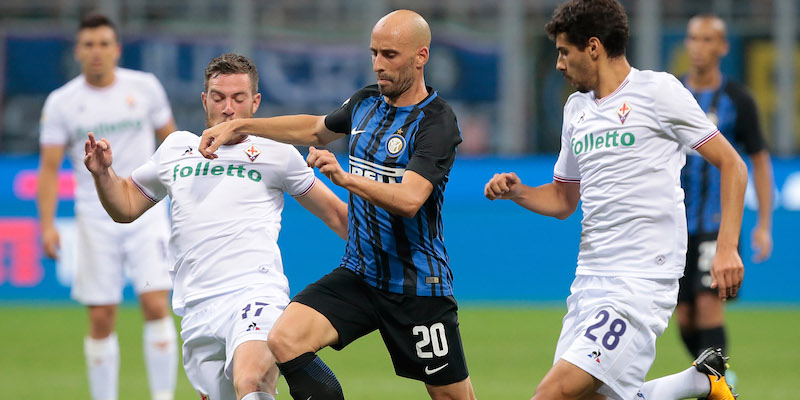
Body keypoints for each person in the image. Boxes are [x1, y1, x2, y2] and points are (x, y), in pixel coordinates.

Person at [198, 10, 476, 400]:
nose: (379, 65)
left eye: (390, 55)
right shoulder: (365, 102)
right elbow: (314, 129)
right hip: (360, 275)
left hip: (416, 287)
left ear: (421, 56)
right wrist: (240, 125)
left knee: (452, 397)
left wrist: (346, 179)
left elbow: (411, 199)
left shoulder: (437, 122)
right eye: (374, 53)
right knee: (284, 339)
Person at [484, 1, 746, 399]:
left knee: (551, 394)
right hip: (589, 279)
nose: (558, 64)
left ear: (593, 47)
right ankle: (697, 381)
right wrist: (517, 191)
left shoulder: (657, 92)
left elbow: (732, 164)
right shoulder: (576, 110)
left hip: (641, 281)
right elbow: (562, 200)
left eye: (563, 52)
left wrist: (726, 248)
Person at [85, 53, 349, 400]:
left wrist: (390, 254)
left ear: (255, 102)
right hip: (197, 308)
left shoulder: (276, 151)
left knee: (252, 382)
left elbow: (337, 215)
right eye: (219, 97)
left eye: (239, 99)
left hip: (255, 293)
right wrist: (103, 174)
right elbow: (126, 206)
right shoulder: (176, 149)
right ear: (204, 100)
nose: (228, 108)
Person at [37, 13, 178, 400]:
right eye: (89, 45)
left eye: (104, 44)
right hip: (94, 218)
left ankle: (163, 396)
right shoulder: (62, 103)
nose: (97, 52)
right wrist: (47, 225)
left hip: (146, 211)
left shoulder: (145, 88)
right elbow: (48, 170)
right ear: (78, 51)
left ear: (116, 50)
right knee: (101, 315)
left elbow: (173, 143)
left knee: (154, 302)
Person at [678, 14, 774, 367]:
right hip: (673, 224)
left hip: (717, 223)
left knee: (707, 303)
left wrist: (763, 224)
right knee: (683, 316)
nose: (698, 47)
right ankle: (714, 377)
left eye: (707, 39)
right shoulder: (672, 93)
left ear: (722, 47)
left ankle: (719, 381)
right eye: (693, 38)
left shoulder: (737, 100)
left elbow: (758, 162)